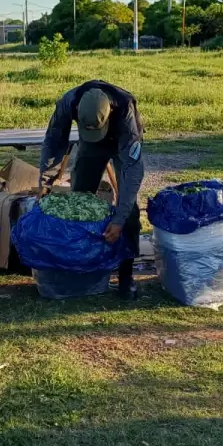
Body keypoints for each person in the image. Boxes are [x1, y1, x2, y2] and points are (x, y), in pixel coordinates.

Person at [39, 80, 144, 299]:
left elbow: (132, 171)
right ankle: (82, 267)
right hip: (91, 145)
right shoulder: (67, 103)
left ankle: (126, 275)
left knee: (129, 211)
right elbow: (54, 143)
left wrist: (119, 220)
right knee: (79, 201)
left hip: (122, 142)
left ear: (110, 112)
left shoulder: (125, 109)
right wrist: (45, 184)